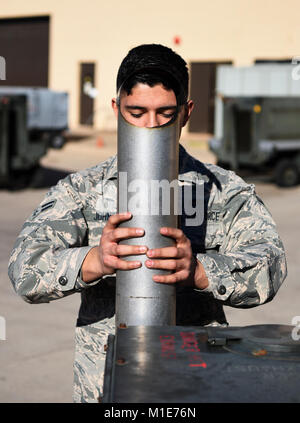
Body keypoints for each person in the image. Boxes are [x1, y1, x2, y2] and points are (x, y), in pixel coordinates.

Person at [8, 44, 287, 403]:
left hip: (197, 385)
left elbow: (271, 264)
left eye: (164, 113)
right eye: (136, 112)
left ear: (186, 113)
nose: (150, 125)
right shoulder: (82, 190)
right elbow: (24, 269)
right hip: (107, 390)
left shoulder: (221, 190)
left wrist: (201, 271)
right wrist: (94, 260)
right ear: (116, 109)